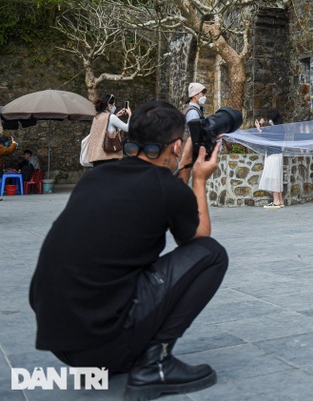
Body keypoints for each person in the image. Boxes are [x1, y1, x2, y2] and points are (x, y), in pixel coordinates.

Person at [29, 100, 228, 401]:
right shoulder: (166, 188)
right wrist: (198, 178)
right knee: (212, 254)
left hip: (65, 346)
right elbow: (198, 238)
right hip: (103, 344)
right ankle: (154, 365)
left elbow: (165, 191)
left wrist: (183, 167)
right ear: (176, 147)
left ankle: (128, 350)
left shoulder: (95, 178)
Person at [86, 94, 131, 167]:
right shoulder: (111, 117)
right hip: (109, 157)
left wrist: (116, 116)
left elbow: (106, 128)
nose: (114, 107)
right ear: (109, 105)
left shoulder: (97, 117)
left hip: (96, 157)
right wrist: (130, 114)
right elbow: (127, 128)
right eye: (113, 105)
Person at [255, 109, 285, 208]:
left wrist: (259, 128)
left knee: (273, 177)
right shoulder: (281, 128)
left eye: (269, 119)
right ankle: (280, 200)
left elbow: (265, 137)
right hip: (279, 154)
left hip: (273, 155)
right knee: (278, 177)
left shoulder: (274, 129)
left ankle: (276, 201)